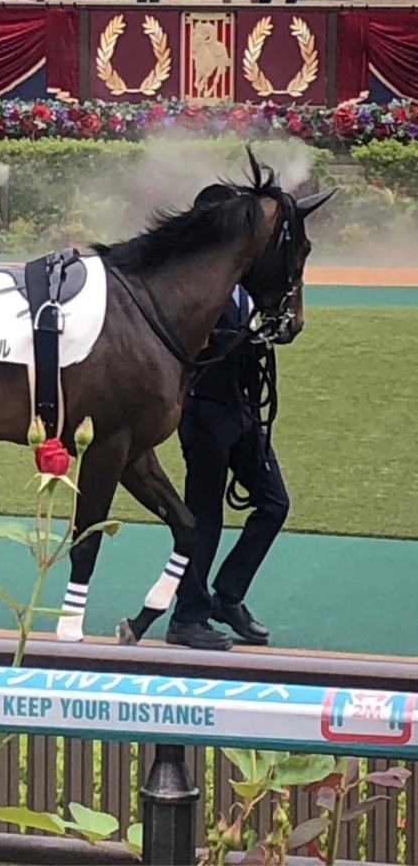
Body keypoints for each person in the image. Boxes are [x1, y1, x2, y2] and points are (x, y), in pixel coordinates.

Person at [166, 184, 289, 651]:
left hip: (239, 409)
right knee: (204, 514)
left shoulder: (239, 277)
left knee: (273, 503)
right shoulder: (188, 281)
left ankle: (228, 595)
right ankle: (187, 617)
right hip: (203, 410)